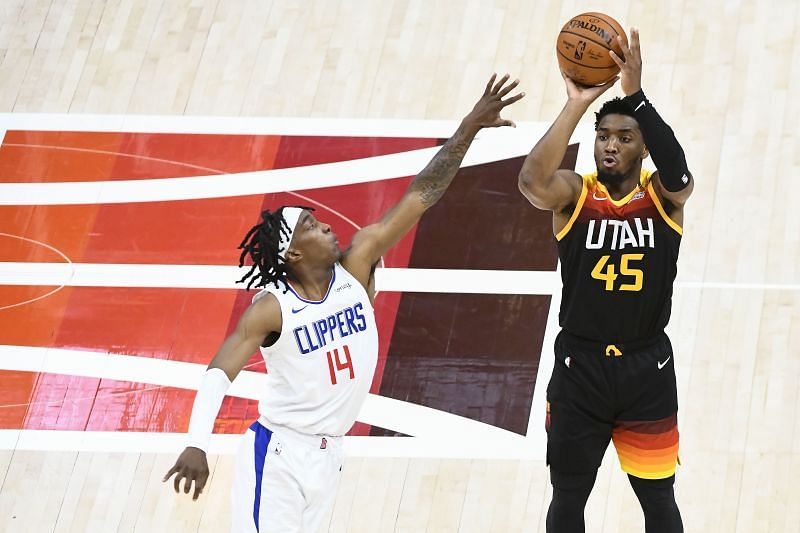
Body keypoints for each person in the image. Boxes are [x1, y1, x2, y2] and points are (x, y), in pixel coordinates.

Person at [163, 73, 524, 532]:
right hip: (277, 454)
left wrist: (467, 130)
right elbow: (219, 371)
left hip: (329, 453)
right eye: (311, 228)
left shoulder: (357, 265)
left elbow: (421, 195)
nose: (327, 227)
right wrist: (197, 443)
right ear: (292, 253)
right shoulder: (273, 308)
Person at [517, 29, 692, 533]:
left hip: (646, 368)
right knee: (568, 499)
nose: (610, 145)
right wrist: (577, 104)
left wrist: (636, 96)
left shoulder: (663, 198)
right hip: (580, 368)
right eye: (604, 136)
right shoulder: (575, 194)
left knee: (659, 502)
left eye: (624, 137)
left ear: (642, 148)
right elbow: (531, 182)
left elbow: (679, 172)